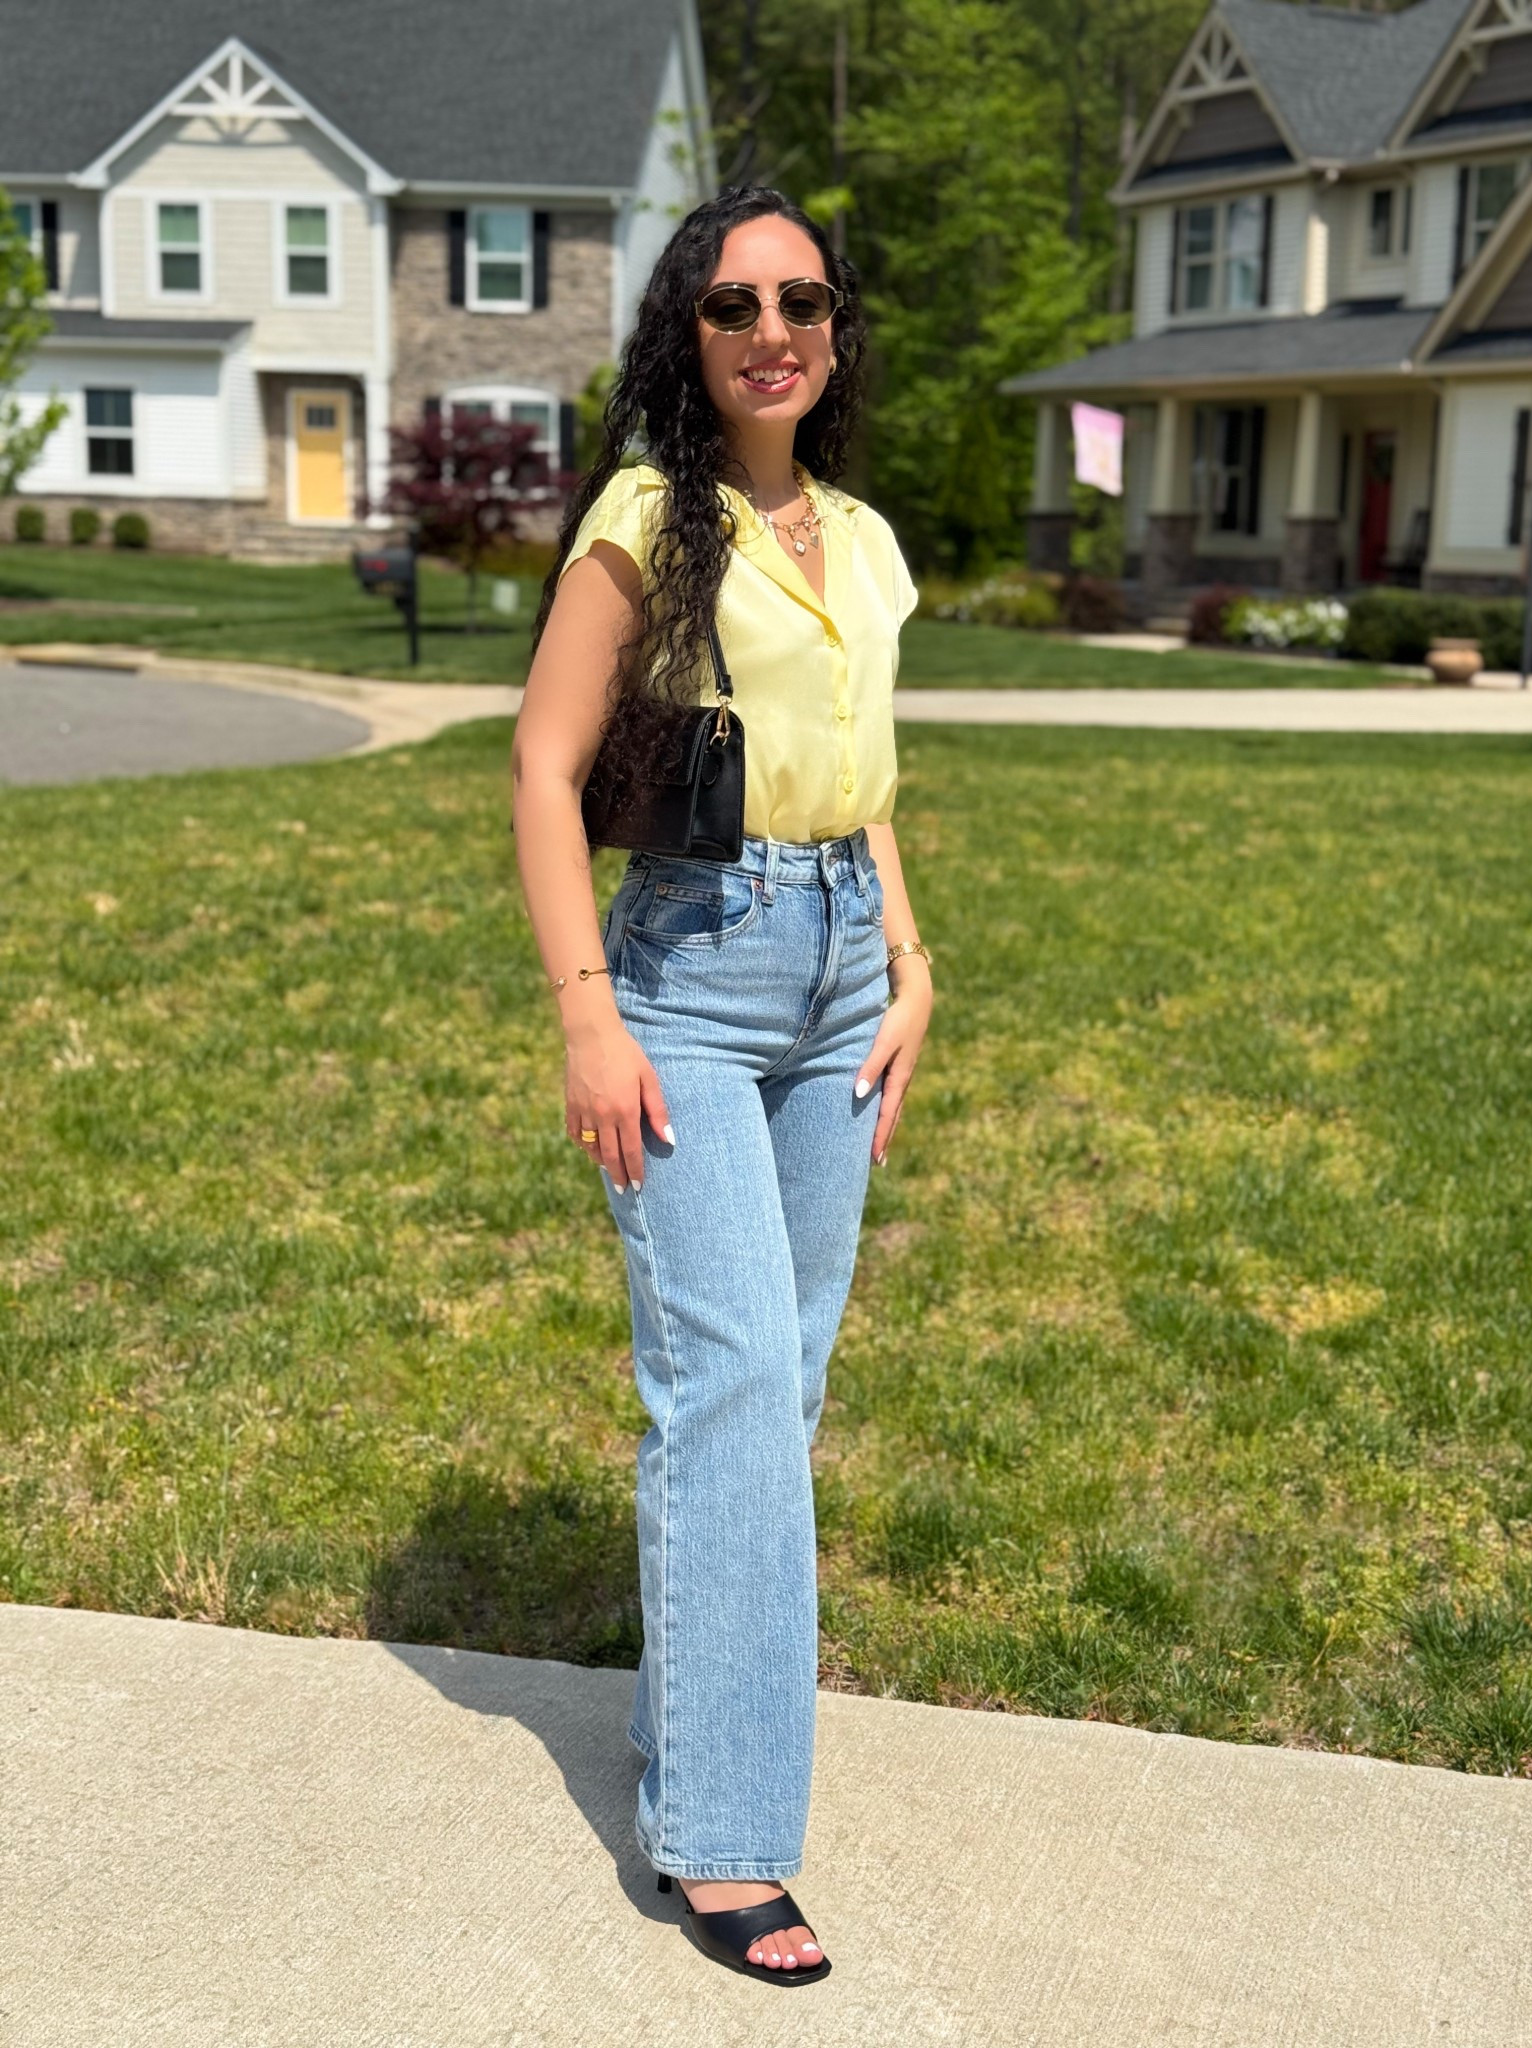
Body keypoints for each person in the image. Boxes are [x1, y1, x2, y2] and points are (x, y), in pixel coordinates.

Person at [511, 185, 932, 1985]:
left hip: (841, 974)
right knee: (737, 1380)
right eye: (734, 300)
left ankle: (696, 1730)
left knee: (786, 1377)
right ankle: (726, 1841)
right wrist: (587, 1016)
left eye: (804, 299)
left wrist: (911, 961)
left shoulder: (866, 536)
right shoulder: (644, 520)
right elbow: (540, 769)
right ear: (688, 330)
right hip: (684, 969)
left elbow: (868, 774)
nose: (774, 326)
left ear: (836, 331)